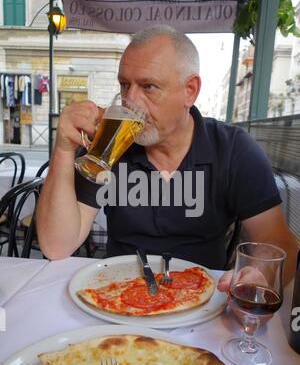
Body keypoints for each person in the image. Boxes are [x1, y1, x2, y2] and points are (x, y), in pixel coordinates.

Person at [36, 25, 298, 289]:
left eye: (148, 86)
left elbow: (275, 239)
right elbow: (56, 246)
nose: (130, 100)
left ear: (190, 90)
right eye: (124, 85)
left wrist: (259, 275)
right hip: (117, 296)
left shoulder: (233, 149)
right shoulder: (109, 144)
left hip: (203, 304)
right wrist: (63, 150)